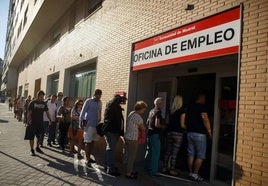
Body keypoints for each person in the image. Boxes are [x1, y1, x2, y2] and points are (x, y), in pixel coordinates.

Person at [186, 92, 212, 181]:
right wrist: (209, 131)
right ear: (200, 98)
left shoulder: (190, 107)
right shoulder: (202, 107)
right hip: (200, 134)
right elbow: (205, 118)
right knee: (200, 155)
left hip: (190, 133)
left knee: (191, 153)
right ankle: (195, 174)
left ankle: (190, 172)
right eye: (204, 98)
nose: (205, 100)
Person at [162, 95, 186, 176]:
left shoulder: (170, 111)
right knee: (174, 153)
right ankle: (172, 170)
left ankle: (164, 168)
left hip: (170, 132)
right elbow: (182, 125)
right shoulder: (182, 112)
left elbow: (167, 122)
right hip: (178, 134)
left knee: (168, 151)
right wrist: (187, 127)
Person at [103, 94, 126, 176]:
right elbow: (113, 121)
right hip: (112, 132)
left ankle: (108, 165)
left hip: (113, 131)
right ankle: (110, 169)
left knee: (109, 149)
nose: (123, 102)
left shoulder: (113, 106)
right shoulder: (113, 106)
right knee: (111, 150)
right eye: (122, 100)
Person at [124, 101, 147, 179]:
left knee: (129, 155)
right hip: (133, 138)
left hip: (127, 137)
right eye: (143, 110)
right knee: (132, 157)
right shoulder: (138, 117)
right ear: (140, 109)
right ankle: (128, 173)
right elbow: (143, 127)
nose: (143, 112)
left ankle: (129, 170)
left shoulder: (131, 113)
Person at [24, 90, 52, 156]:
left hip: (40, 123)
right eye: (41, 97)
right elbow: (29, 113)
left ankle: (37, 147)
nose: (42, 98)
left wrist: (50, 120)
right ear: (38, 96)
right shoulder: (32, 103)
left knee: (39, 136)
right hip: (32, 122)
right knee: (31, 137)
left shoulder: (44, 103)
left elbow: (47, 112)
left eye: (43, 97)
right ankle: (32, 150)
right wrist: (28, 122)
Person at [79, 89, 102, 165]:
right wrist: (80, 123)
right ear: (94, 94)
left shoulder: (100, 102)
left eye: (100, 96)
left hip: (96, 125)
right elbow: (82, 112)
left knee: (92, 142)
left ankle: (89, 157)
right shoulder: (88, 101)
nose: (99, 97)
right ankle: (87, 159)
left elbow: (100, 111)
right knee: (87, 142)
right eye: (97, 96)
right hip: (89, 125)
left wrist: (100, 119)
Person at [145, 97, 165, 176]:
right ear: (159, 104)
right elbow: (157, 124)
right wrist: (163, 126)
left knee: (148, 151)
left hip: (149, 133)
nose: (163, 105)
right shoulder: (158, 112)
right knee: (156, 153)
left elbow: (147, 121)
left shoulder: (151, 111)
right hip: (155, 134)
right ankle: (154, 171)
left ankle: (146, 168)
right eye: (162, 103)